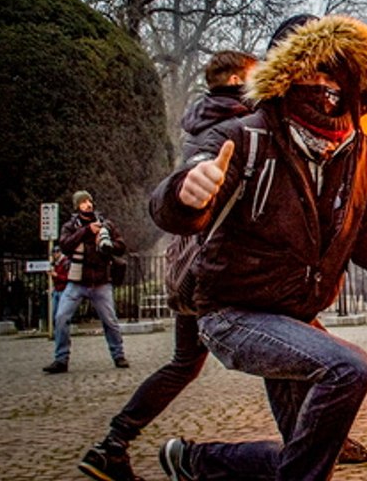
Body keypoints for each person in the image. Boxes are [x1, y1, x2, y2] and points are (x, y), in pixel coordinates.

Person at [148, 15, 367, 481]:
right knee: (348, 369)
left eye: (332, 72)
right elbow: (179, 193)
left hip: (295, 316)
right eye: (310, 72)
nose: (323, 85)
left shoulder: (355, 149)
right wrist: (187, 192)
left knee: (305, 457)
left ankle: (195, 462)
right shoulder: (245, 135)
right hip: (232, 312)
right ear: (284, 73)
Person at [78, 50, 256, 481]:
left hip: (189, 263)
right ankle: (319, 438)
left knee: (183, 364)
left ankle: (112, 444)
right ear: (235, 79)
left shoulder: (203, 119)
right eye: (254, 76)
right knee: (297, 342)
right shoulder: (232, 125)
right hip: (212, 266)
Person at [44, 190, 129, 374]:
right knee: (61, 318)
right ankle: (61, 359)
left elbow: (121, 246)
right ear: (77, 206)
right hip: (77, 281)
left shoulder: (106, 224)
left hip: (101, 281)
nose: (88, 204)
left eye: (89, 200)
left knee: (110, 321)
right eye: (83, 202)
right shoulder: (70, 226)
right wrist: (85, 231)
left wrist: (108, 245)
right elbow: (65, 245)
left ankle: (118, 355)